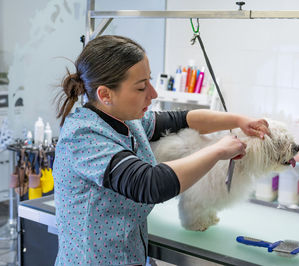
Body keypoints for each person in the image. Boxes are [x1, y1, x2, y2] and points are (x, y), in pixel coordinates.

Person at [53, 35, 270, 266]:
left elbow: (183, 120)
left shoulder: (128, 120)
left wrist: (239, 120)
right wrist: (218, 151)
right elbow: (149, 183)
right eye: (141, 87)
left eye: (150, 81)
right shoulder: (83, 137)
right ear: (105, 95)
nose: (153, 94)